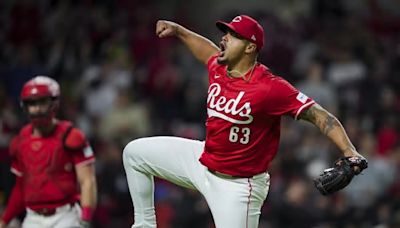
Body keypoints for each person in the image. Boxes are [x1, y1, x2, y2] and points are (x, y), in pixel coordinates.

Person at [122, 15, 367, 228]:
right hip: (202, 161)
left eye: (233, 35)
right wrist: (179, 31)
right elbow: (204, 48)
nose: (225, 38)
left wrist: (349, 151)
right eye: (226, 33)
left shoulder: (270, 87)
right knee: (135, 154)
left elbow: (319, 114)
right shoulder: (219, 67)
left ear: (250, 47)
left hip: (239, 187)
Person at [0, 76, 97, 228]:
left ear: (54, 103)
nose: (37, 109)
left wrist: (85, 218)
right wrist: (4, 220)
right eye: (32, 103)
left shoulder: (71, 137)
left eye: (42, 102)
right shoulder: (19, 142)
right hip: (32, 218)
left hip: (66, 217)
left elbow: (87, 181)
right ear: (24, 106)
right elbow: (20, 188)